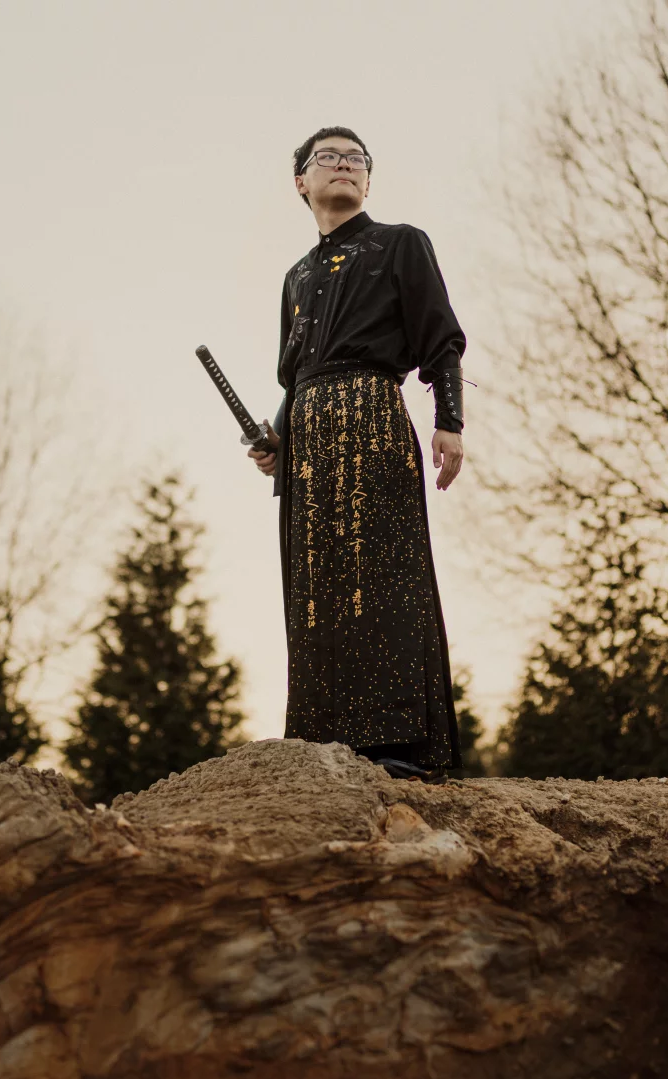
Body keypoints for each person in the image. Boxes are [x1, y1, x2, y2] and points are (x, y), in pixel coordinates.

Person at [250, 126, 466, 782]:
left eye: (355, 159)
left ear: (367, 180)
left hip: (372, 417)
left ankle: (396, 742)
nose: (343, 165)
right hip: (309, 441)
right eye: (329, 157)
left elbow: (440, 337)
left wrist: (449, 422)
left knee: (386, 576)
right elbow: (297, 374)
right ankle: (324, 743)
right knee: (316, 588)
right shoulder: (295, 277)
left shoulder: (401, 243)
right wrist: (278, 437)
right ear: (302, 182)